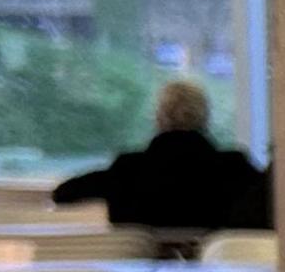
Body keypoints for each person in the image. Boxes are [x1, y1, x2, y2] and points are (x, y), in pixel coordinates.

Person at [52, 80, 268, 230]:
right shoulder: (235, 168)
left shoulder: (128, 169)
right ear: (205, 118)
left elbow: (62, 194)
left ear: (159, 118)